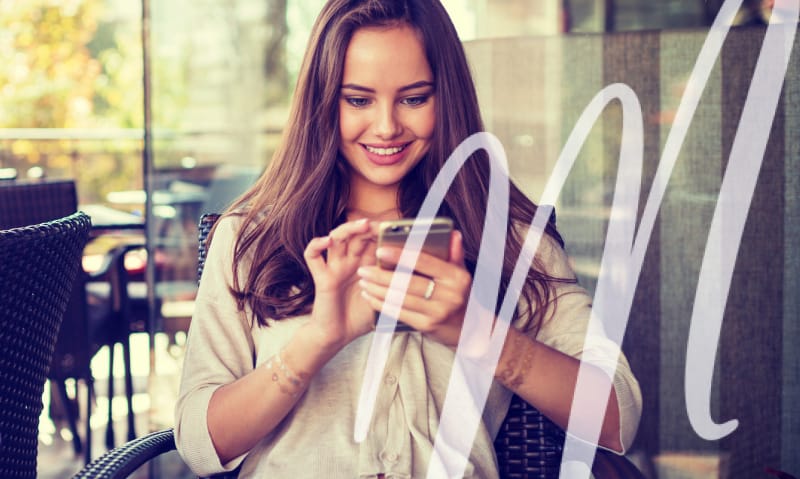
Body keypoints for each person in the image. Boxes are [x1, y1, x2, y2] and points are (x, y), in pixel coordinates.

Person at [174, 0, 642, 477]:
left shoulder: (511, 241)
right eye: (357, 100)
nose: (386, 127)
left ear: (447, 98)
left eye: (414, 98)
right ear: (323, 102)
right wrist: (316, 342)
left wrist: (473, 332)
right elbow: (198, 442)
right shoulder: (250, 240)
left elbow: (617, 420)